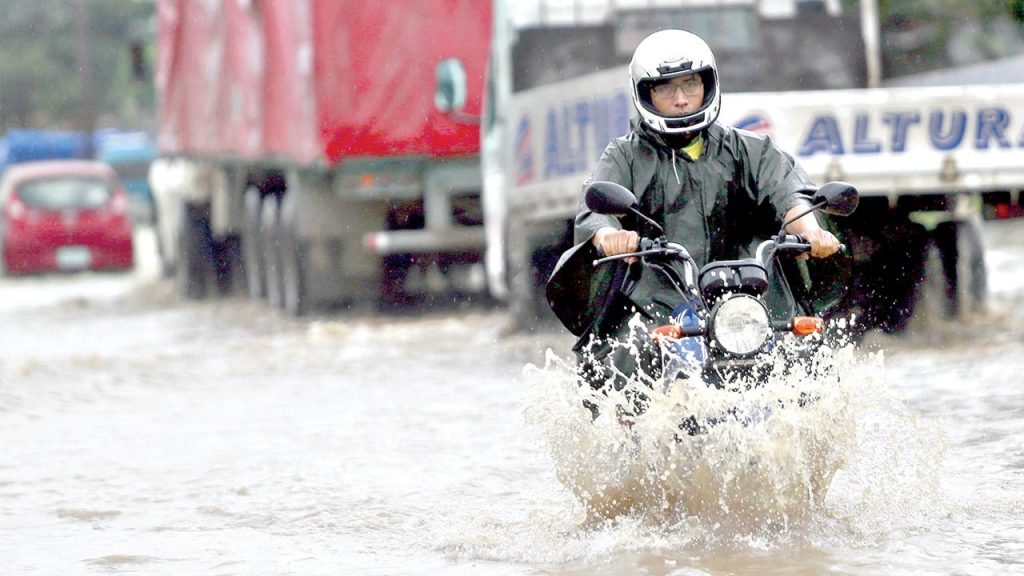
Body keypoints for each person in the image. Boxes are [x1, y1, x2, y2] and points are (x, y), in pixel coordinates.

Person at [546, 29, 843, 404]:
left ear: (708, 85)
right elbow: (596, 211)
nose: (682, 99)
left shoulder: (751, 149)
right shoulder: (624, 156)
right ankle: (630, 437)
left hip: (750, 297)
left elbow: (791, 195)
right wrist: (610, 236)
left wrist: (812, 233)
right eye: (666, 89)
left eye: (690, 85)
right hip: (658, 300)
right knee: (628, 353)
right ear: (645, 94)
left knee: (808, 351)